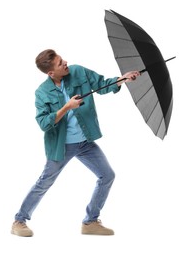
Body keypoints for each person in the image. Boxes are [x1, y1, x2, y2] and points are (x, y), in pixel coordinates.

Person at [11, 49, 140, 237]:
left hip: (85, 141)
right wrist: (66, 107)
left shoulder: (78, 71)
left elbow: (102, 85)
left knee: (107, 175)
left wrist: (123, 79)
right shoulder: (42, 92)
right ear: (51, 73)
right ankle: (19, 221)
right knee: (44, 182)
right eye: (60, 63)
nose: (65, 63)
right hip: (61, 146)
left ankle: (90, 222)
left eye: (62, 59)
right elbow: (44, 123)